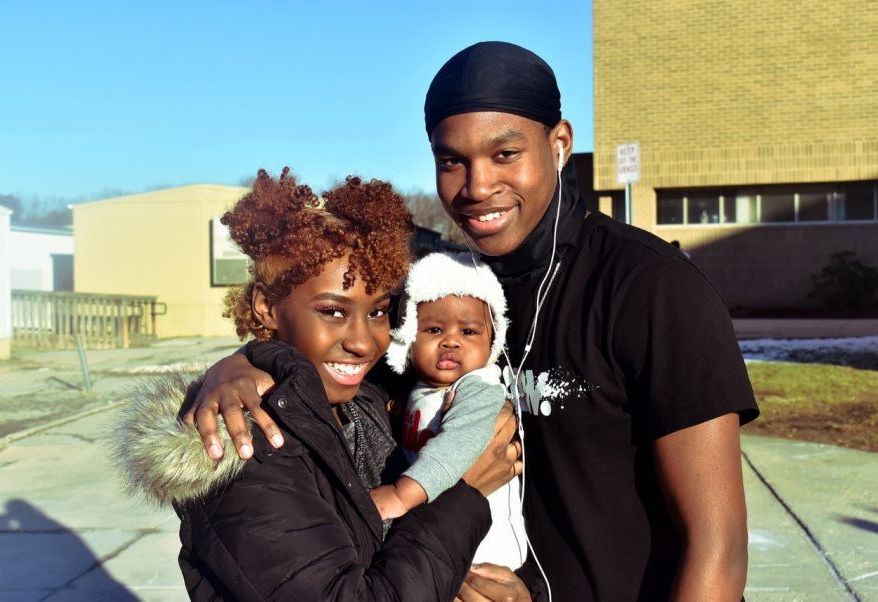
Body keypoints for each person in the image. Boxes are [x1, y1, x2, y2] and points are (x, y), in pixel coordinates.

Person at [184, 43, 759, 601]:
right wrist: (239, 364)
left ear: (559, 143)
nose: (478, 186)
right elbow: (333, 355)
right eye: (451, 160)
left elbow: (718, 549)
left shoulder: (652, 289)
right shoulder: (441, 292)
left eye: (505, 154)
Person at [113, 168, 522, 600]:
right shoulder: (243, 449)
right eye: (333, 311)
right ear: (266, 307)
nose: (364, 342)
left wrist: (240, 361)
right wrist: (463, 494)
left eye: (379, 311)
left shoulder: (363, 395)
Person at [370, 251, 528, 569]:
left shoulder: (478, 389)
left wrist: (400, 496)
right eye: (434, 331)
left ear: (492, 340)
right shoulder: (422, 389)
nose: (451, 342)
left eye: (468, 332)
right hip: (441, 539)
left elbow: (457, 447)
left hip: (484, 547)